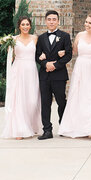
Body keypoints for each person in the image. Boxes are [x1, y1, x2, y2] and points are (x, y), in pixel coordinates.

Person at [59, 14, 91, 138]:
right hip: (81, 68)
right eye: (86, 22)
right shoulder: (80, 35)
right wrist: (63, 52)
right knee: (78, 96)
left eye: (90, 23)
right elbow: (74, 51)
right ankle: (75, 126)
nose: (86, 24)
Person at [1, 17, 41, 139]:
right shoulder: (13, 39)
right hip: (18, 70)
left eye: (27, 24)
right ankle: (20, 129)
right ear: (19, 26)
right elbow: (10, 58)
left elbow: (39, 54)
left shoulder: (35, 38)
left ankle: (32, 125)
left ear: (30, 26)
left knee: (32, 100)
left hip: (31, 70)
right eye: (23, 24)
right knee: (19, 99)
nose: (25, 26)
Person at [35, 10, 72, 140]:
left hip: (59, 76)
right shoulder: (40, 38)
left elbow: (68, 55)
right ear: (45, 21)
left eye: (54, 19)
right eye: (49, 19)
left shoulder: (65, 36)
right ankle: (47, 130)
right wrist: (45, 64)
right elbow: (37, 56)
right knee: (45, 103)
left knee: (61, 101)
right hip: (44, 75)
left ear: (58, 21)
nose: (51, 22)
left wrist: (55, 65)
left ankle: (64, 126)